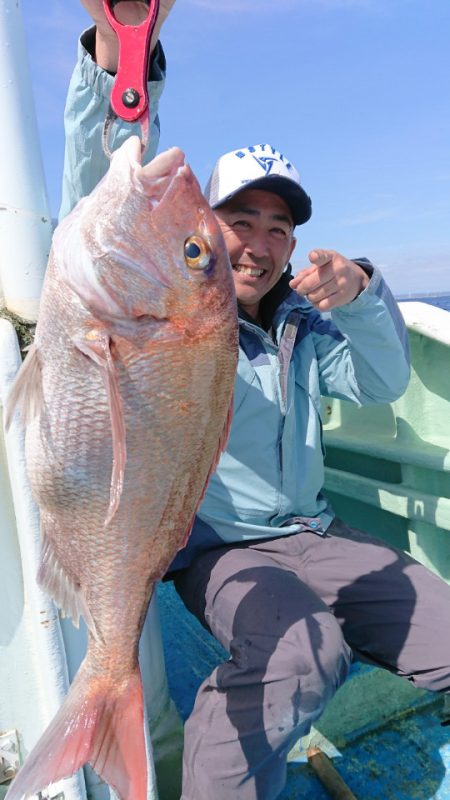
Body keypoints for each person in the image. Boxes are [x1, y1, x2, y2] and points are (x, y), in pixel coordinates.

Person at [63, 3, 450, 799]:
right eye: (240, 220)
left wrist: (367, 296)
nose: (262, 242)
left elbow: (380, 382)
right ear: (205, 226)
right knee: (302, 653)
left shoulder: (305, 331)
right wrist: (118, 60)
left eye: (280, 227)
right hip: (220, 547)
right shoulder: (166, 318)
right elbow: (101, 195)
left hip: (316, 531)